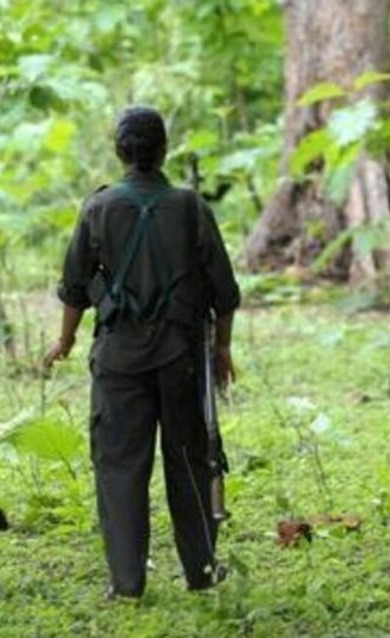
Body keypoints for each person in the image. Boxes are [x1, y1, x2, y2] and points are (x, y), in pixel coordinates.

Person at [43, 107, 241, 598]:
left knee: (118, 467)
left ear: (120, 151)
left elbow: (74, 287)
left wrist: (64, 341)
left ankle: (127, 582)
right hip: (182, 357)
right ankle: (200, 572)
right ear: (164, 150)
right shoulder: (192, 208)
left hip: (118, 361)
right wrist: (221, 348)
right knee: (191, 462)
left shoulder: (98, 208)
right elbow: (224, 290)